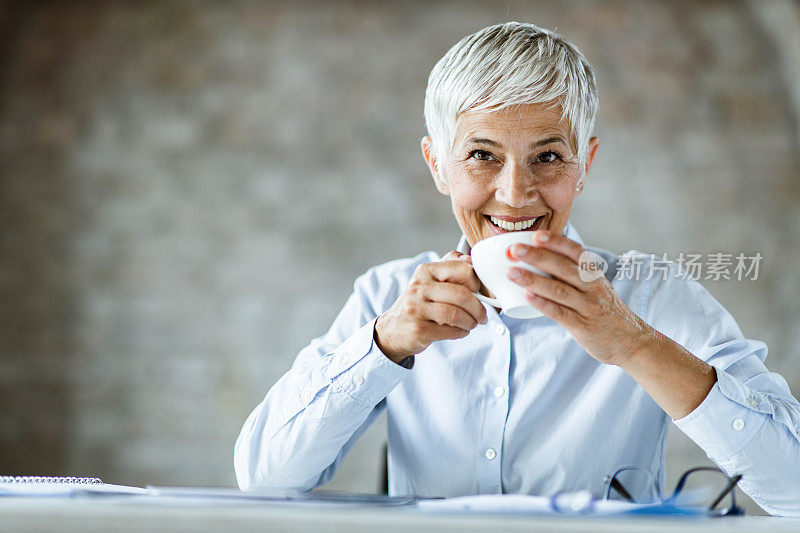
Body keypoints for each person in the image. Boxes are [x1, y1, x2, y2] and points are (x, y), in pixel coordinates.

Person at [234, 22, 800, 516]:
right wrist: (382, 345)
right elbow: (262, 481)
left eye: (548, 156)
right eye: (482, 155)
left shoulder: (652, 294)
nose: (515, 193)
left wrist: (633, 344)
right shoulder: (387, 294)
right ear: (438, 165)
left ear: (585, 165)